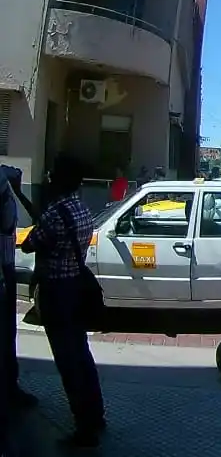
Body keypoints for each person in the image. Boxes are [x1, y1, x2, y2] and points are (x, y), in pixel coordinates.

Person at [19, 155, 106, 448]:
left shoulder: (55, 213)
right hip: (75, 289)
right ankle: (96, 415)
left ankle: (84, 429)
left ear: (58, 180)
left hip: (56, 291)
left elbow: (31, 244)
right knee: (81, 355)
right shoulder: (82, 210)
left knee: (67, 362)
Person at [0, 166, 38, 416]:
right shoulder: (2, 183)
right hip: (3, 269)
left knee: (7, 333)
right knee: (4, 334)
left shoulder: (4, 181)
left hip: (7, 267)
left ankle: (9, 388)